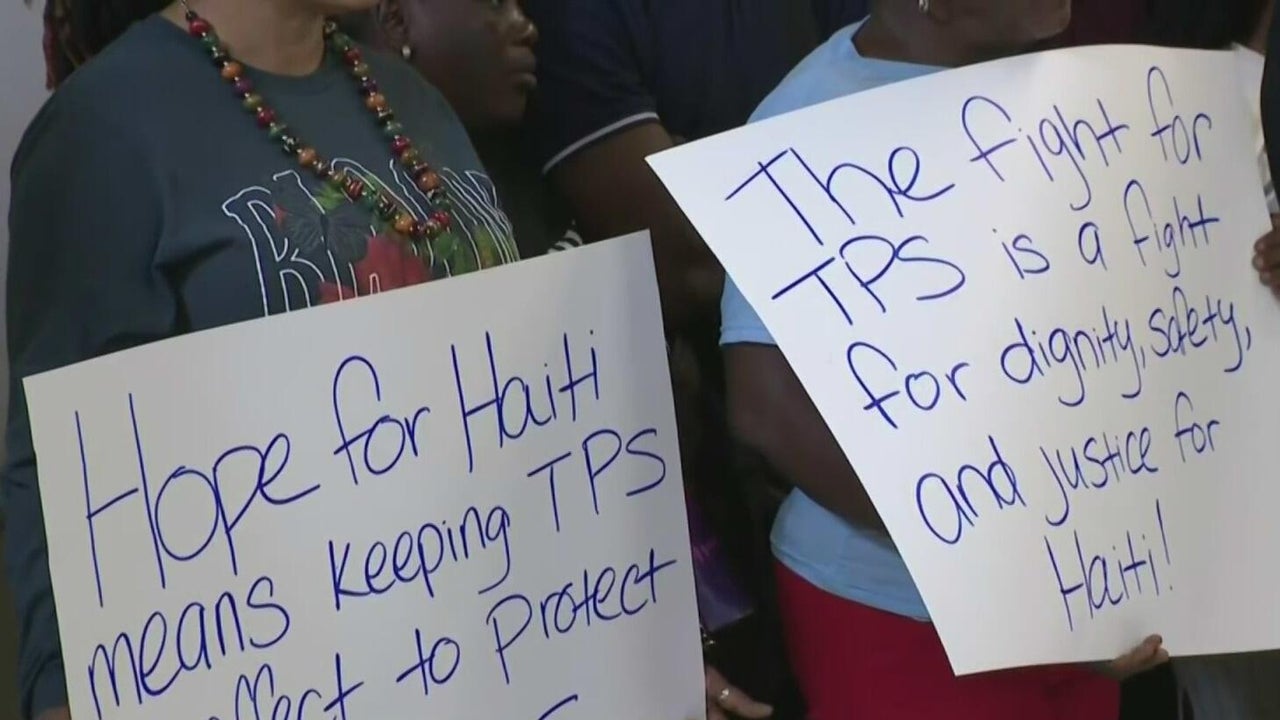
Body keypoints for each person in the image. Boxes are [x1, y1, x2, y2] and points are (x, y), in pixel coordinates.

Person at [7, 1, 519, 718]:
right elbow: (63, 484)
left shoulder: (410, 100)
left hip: (492, 651)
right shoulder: (102, 131)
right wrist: (68, 690)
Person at [720, 2, 1169, 718]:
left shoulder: (1083, 93)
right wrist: (1001, 561)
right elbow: (766, 408)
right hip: (897, 615)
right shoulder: (809, 116)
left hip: (1078, 597)